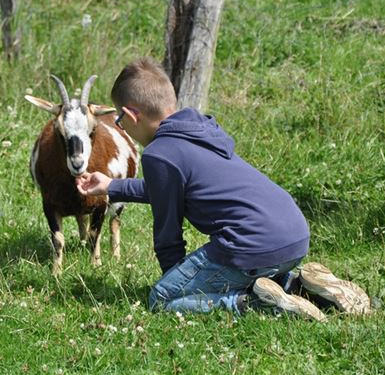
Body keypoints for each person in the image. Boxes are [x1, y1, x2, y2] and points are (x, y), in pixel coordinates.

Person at [76, 57, 370, 321]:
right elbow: (170, 188)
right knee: (241, 268)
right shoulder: (200, 129)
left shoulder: (159, 153)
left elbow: (168, 232)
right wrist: (112, 185)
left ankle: (253, 304)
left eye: (119, 120)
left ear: (131, 114)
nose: (120, 126)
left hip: (250, 245)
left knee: (161, 299)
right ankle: (304, 288)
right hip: (292, 235)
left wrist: (174, 279)